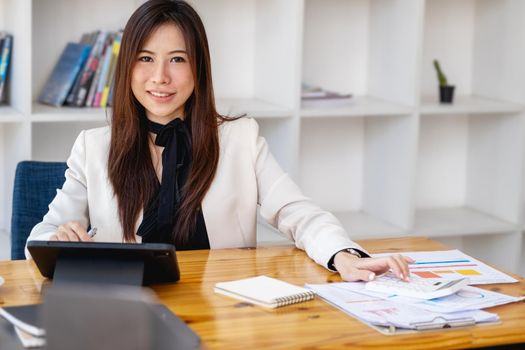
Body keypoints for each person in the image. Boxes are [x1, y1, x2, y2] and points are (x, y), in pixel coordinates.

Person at [26, 0, 412, 282]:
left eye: (177, 59)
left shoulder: (241, 139)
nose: (160, 76)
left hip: (225, 310)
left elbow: (299, 213)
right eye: (145, 58)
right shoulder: (93, 147)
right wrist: (61, 239)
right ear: (127, 67)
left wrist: (343, 255)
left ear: (199, 69)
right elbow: (39, 239)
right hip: (126, 314)